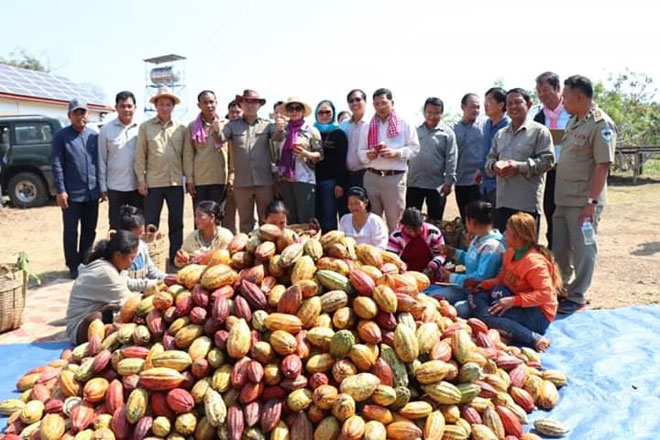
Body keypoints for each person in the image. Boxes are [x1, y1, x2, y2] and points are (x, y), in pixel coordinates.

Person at [553, 75, 617, 315]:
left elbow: (603, 165)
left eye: (566, 97)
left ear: (579, 96)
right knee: (560, 247)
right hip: (563, 198)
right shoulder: (574, 121)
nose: (563, 102)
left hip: (583, 201)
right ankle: (563, 289)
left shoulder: (601, 124)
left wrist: (591, 203)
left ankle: (578, 295)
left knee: (583, 249)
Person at [468, 212, 561, 352]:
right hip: (516, 298)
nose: (504, 234)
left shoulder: (534, 263)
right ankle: (504, 326)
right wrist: (482, 285)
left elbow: (545, 295)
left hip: (538, 314)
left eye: (508, 231)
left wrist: (513, 301)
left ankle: (533, 337)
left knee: (487, 316)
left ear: (518, 236)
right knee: (479, 295)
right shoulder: (510, 253)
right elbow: (501, 280)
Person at [485, 88, 555, 233]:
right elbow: (490, 159)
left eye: (518, 102)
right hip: (502, 203)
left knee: (525, 251)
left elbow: (548, 161)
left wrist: (519, 167)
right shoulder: (500, 134)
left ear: (529, 105)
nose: (513, 107)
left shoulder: (540, 132)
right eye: (509, 103)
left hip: (526, 205)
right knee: (503, 249)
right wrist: (494, 166)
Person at [134, 87, 187, 268]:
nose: (165, 107)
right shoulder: (146, 128)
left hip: (175, 183)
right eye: (161, 104)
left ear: (173, 106)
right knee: (151, 223)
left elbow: (186, 156)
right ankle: (149, 261)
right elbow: (140, 155)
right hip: (153, 183)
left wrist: (189, 180)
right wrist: (141, 179)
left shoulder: (181, 128)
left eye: (168, 104)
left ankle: (175, 259)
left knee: (176, 223)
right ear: (155, 106)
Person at [425, 200, 506, 317]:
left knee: (458, 309)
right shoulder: (478, 238)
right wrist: (453, 252)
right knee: (431, 295)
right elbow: (470, 259)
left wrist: (451, 277)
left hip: (482, 294)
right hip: (467, 288)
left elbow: (481, 278)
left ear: (471, 221)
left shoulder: (492, 247)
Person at [52, 98, 101, 279]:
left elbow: (98, 163)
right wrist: (61, 190)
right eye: (76, 113)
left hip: (92, 192)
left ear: (88, 115)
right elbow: (56, 164)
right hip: (71, 194)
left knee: (90, 229)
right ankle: (73, 265)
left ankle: (85, 261)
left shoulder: (93, 136)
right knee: (71, 230)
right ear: (69, 115)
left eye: (83, 112)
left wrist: (101, 187)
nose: (80, 116)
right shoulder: (61, 136)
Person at [358, 88, 420, 232]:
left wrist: (396, 153)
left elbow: (415, 148)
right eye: (376, 104)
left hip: (394, 178)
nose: (380, 107)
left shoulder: (404, 123)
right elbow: (360, 152)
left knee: (395, 222)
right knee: (372, 221)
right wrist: (369, 154)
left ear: (392, 103)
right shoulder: (367, 126)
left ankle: (395, 252)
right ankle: (375, 252)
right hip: (372, 177)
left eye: (384, 103)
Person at [216, 90, 277, 232]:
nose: (250, 105)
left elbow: (278, 138)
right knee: (245, 223)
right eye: (246, 102)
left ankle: (266, 252)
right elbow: (220, 139)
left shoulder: (267, 125)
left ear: (259, 105)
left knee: (267, 222)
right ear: (241, 104)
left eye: (254, 102)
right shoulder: (232, 125)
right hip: (242, 183)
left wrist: (280, 129)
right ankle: (248, 253)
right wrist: (215, 131)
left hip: (264, 182)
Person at [65, 230, 138, 344]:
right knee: (100, 318)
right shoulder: (106, 272)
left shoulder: (115, 265)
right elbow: (129, 302)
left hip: (98, 314)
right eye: (132, 258)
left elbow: (130, 283)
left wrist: (159, 283)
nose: (133, 262)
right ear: (118, 255)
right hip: (78, 329)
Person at [534, 72, 571, 249]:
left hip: (570, 172)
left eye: (546, 90)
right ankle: (554, 251)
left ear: (558, 89)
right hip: (548, 173)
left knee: (570, 214)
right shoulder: (538, 117)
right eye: (539, 91)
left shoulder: (572, 112)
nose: (542, 95)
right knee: (550, 212)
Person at [273, 97, 323, 224]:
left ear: (302, 111)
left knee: (305, 218)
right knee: (290, 218)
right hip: (285, 179)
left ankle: (307, 243)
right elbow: (274, 153)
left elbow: (320, 155)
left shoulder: (311, 131)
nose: (294, 111)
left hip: (304, 179)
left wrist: (306, 153)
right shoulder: (282, 131)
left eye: (298, 108)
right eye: (291, 108)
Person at [406, 97, 457, 222]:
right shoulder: (415, 130)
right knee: (411, 219)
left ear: (441, 113)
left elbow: (451, 158)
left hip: (437, 184)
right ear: (424, 112)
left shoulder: (447, 133)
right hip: (415, 182)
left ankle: (434, 241)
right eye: (429, 113)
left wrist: (449, 181)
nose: (432, 116)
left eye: (436, 113)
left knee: (435, 220)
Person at [98, 91, 142, 230]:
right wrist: (103, 186)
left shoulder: (142, 128)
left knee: (137, 226)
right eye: (122, 106)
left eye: (129, 106)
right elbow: (101, 158)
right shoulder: (106, 130)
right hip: (115, 187)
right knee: (116, 226)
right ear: (116, 108)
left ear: (135, 107)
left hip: (137, 187)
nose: (126, 110)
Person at [183, 90, 228, 217]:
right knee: (201, 216)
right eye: (205, 103)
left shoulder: (226, 125)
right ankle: (199, 237)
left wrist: (231, 175)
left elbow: (232, 153)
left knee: (218, 216)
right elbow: (188, 154)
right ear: (199, 105)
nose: (209, 106)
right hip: (200, 180)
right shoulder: (192, 127)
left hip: (220, 178)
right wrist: (190, 180)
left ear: (216, 103)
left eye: (211, 102)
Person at [314, 99, 348, 232]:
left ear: (333, 113)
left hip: (330, 181)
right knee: (315, 215)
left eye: (327, 112)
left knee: (329, 216)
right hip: (311, 180)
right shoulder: (311, 131)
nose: (324, 115)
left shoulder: (339, 134)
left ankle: (329, 245)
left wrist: (340, 184)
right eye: (320, 112)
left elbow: (342, 161)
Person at [118, 205, 165, 292]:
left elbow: (151, 271)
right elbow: (126, 282)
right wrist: (152, 283)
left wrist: (168, 278)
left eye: (141, 233)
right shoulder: (118, 253)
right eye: (136, 234)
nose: (140, 237)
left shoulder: (142, 246)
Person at [453, 93, 484, 221]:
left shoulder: (485, 126)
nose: (475, 110)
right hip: (460, 181)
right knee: (466, 219)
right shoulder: (453, 129)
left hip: (479, 182)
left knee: (480, 218)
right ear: (463, 107)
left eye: (478, 107)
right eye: (472, 107)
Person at [476, 87, 509, 206]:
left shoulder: (508, 127)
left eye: (489, 100)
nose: (485, 104)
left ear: (501, 105)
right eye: (485, 100)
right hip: (485, 184)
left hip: (500, 184)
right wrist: (481, 170)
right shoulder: (487, 125)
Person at [386, 208, 445, 273]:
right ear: (403, 225)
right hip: (404, 272)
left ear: (422, 224)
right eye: (409, 229)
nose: (413, 233)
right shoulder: (396, 236)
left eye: (417, 229)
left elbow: (441, 254)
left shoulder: (433, 232)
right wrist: (400, 265)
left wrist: (432, 267)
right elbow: (391, 257)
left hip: (430, 270)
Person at [176, 200, 233, 267]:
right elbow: (178, 262)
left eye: (200, 216)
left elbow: (228, 259)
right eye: (196, 216)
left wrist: (205, 258)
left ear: (212, 217)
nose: (196, 219)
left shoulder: (226, 236)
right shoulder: (192, 237)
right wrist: (180, 259)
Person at [339, 89, 369, 214]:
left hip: (366, 175)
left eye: (358, 99)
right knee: (345, 212)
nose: (354, 103)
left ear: (365, 102)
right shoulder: (344, 126)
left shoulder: (372, 123)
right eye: (351, 100)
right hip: (346, 176)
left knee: (364, 211)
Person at [222, 100, 243, 234]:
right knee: (228, 217)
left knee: (246, 217)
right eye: (232, 112)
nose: (235, 115)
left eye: (238, 112)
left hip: (247, 179)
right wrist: (231, 175)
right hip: (228, 180)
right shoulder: (224, 130)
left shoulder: (248, 129)